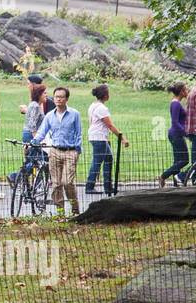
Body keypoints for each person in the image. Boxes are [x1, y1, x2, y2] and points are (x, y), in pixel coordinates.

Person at [33, 87, 82, 216]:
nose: (58, 99)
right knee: (56, 184)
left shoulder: (74, 114)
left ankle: (75, 208)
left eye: (61, 97)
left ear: (66, 99)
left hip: (70, 151)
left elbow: (79, 133)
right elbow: (41, 132)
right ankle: (60, 211)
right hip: (55, 151)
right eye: (56, 97)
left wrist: (77, 150)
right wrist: (33, 142)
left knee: (67, 182)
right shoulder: (50, 115)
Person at [85, 84, 127, 195]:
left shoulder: (93, 105)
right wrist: (122, 138)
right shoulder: (101, 109)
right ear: (105, 95)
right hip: (98, 137)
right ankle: (90, 185)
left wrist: (106, 138)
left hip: (96, 136)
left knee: (108, 159)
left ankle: (108, 186)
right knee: (97, 161)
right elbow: (110, 125)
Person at [8, 78, 50, 191]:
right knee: (37, 160)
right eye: (44, 93)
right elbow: (32, 125)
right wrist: (36, 140)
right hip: (30, 135)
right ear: (39, 94)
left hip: (32, 134)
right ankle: (14, 176)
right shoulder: (34, 106)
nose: (47, 95)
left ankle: (31, 185)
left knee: (34, 160)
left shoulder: (36, 105)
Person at [158, 82, 190, 187]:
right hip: (176, 134)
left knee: (177, 161)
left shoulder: (177, 103)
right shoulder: (175, 103)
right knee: (185, 160)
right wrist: (186, 134)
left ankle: (176, 185)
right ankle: (163, 176)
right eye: (185, 90)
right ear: (181, 92)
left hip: (176, 134)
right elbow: (175, 122)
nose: (187, 92)